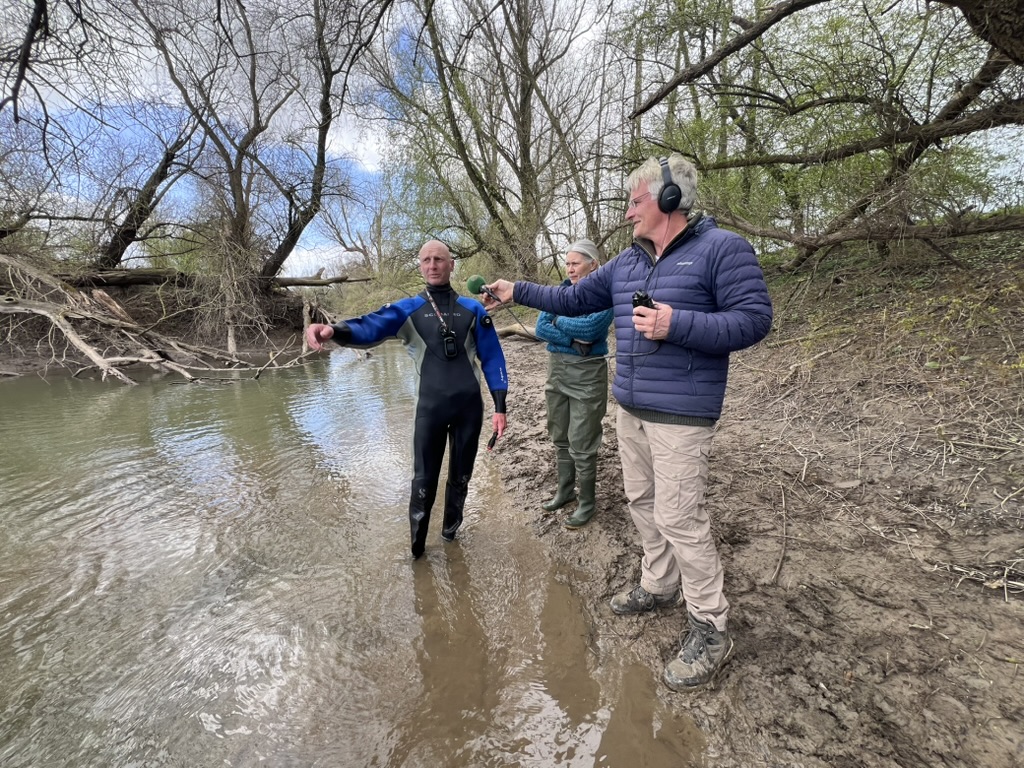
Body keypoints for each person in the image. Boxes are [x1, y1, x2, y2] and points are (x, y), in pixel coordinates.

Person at [482, 155, 772, 691]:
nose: (627, 211)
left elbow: (755, 320)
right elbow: (571, 298)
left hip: (684, 414)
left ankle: (711, 625)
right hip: (631, 408)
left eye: (635, 201)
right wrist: (516, 290)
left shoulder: (723, 249)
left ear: (667, 199)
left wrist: (674, 322)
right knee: (642, 502)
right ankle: (659, 584)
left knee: (681, 516)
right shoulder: (626, 262)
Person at [306, 240, 508, 559]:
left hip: (470, 408)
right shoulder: (408, 310)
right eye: (426, 260)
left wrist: (500, 406)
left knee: (461, 477)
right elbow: (370, 325)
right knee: (423, 480)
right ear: (420, 266)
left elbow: (493, 357)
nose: (433, 265)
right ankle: (417, 552)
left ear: (451, 264)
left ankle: (451, 536)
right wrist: (334, 331)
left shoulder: (474, 310)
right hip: (430, 410)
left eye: (439, 259)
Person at [533, 240, 614, 529]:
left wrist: (558, 322)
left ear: (593, 264)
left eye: (575, 263)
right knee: (559, 435)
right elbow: (541, 328)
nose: (570, 268)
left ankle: (587, 504)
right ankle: (565, 492)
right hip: (556, 373)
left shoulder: (605, 293)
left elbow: (592, 329)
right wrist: (572, 338)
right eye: (567, 263)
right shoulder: (560, 291)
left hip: (587, 375)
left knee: (582, 440)